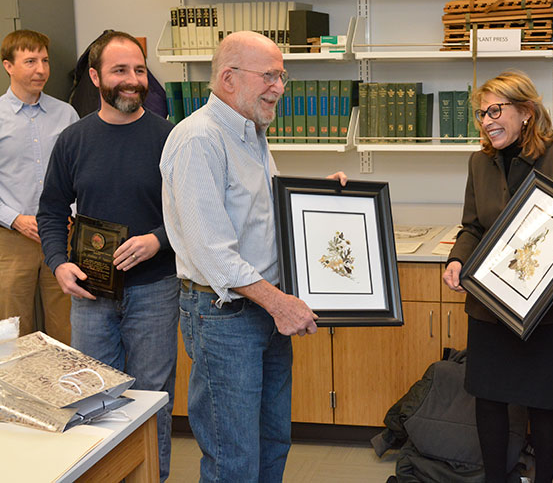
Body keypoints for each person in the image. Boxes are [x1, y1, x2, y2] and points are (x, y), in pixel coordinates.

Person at [160, 30, 346, 482]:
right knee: (234, 457)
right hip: (224, 317)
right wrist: (280, 302)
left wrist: (322, 199)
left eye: (282, 76)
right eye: (269, 76)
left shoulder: (252, 135)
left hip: (262, 309)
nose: (279, 87)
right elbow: (212, 251)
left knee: (271, 442)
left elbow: (260, 214)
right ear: (228, 78)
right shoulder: (198, 140)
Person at [442, 70, 553, 483]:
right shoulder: (478, 162)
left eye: (495, 110)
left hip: (548, 309)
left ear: (526, 112)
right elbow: (472, 227)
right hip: (490, 302)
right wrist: (457, 260)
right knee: (489, 398)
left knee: (545, 403)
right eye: (481, 113)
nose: (486, 121)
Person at [37, 31, 178, 482]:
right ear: (96, 76)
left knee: (153, 397)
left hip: (155, 291)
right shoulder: (73, 140)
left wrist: (157, 239)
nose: (132, 80)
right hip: (91, 295)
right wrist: (59, 262)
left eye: (139, 70)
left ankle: (153, 476)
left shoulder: (169, 138)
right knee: (94, 400)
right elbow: (52, 211)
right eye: (120, 70)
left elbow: (192, 213)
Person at [0, 29, 78, 342]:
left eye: (44, 61)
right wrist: (15, 220)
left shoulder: (66, 114)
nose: (41, 69)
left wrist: (69, 213)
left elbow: (79, 175)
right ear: (8, 66)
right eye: (30, 61)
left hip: (61, 233)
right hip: (11, 238)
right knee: (12, 331)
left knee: (68, 326)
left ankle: (73, 391)